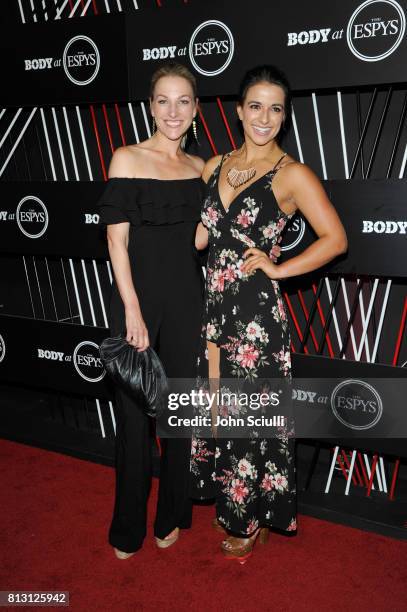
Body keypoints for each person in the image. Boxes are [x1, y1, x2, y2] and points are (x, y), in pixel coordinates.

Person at [191, 65, 348, 563]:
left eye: (276, 108)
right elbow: (203, 236)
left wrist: (280, 270)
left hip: (255, 314)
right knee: (217, 410)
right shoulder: (213, 165)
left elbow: (336, 240)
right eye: (255, 105)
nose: (265, 117)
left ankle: (248, 518)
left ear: (285, 116)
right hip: (212, 305)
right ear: (239, 110)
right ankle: (233, 499)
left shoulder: (292, 174)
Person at [98, 62, 205, 559]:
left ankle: (171, 514)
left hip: (188, 300)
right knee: (134, 423)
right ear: (150, 105)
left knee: (179, 416)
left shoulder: (199, 169)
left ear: (196, 110)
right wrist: (132, 311)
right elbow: (117, 244)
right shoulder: (126, 158)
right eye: (164, 100)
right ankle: (127, 528)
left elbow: (202, 241)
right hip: (137, 304)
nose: (173, 111)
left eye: (183, 101)